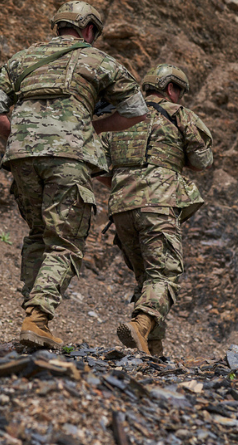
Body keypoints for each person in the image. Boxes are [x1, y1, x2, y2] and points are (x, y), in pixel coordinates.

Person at [0, 1, 148, 349]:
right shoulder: (98, 60)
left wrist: (22, 136)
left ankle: (30, 320)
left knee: (39, 235)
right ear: (88, 30)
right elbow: (136, 111)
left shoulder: (22, 58)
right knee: (65, 241)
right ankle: (37, 320)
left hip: (22, 157)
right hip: (68, 159)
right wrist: (89, 127)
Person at [98, 63, 213, 355]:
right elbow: (202, 161)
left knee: (147, 278)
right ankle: (141, 323)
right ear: (172, 88)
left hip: (121, 207)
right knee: (164, 274)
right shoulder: (179, 115)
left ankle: (152, 349)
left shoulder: (118, 119)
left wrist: (126, 179)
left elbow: (96, 165)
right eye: (180, 92)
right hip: (159, 204)